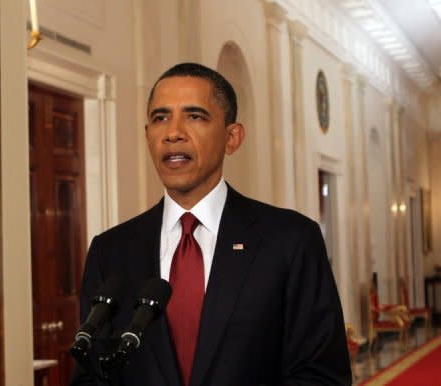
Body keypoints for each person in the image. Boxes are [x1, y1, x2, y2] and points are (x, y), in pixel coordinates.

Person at [70, 62, 352, 386]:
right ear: (147, 135)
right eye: (160, 118)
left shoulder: (290, 241)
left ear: (232, 137)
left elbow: (322, 376)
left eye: (194, 116)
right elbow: (89, 376)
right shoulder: (111, 252)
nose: (173, 133)